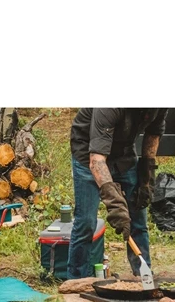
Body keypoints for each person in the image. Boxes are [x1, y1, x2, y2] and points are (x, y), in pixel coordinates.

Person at [67, 108, 167, 280]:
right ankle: (77, 282)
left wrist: (146, 174)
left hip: (123, 154)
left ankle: (144, 277)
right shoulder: (109, 107)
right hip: (88, 154)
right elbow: (96, 161)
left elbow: (153, 133)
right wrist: (115, 204)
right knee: (86, 222)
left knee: (138, 218)